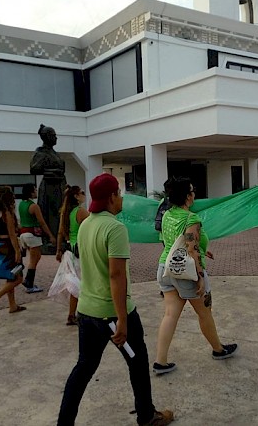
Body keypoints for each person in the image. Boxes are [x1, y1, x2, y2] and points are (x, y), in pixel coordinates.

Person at [57, 173, 173, 426]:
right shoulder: (115, 228)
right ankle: (146, 416)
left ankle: (64, 423)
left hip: (87, 311)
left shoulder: (86, 224)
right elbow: (116, 275)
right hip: (113, 314)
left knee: (83, 369)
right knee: (138, 362)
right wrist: (122, 319)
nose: (121, 199)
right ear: (111, 197)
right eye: (119, 194)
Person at [153, 177, 237, 375]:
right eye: (192, 190)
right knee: (205, 312)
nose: (194, 193)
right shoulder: (191, 219)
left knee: (170, 314)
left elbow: (172, 241)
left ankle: (160, 361)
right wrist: (199, 276)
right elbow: (191, 250)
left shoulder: (167, 215)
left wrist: (200, 249)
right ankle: (218, 349)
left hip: (165, 268)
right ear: (188, 196)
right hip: (186, 272)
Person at [0, 186, 26, 315]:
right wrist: (17, 251)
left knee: (11, 276)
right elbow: (12, 233)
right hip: (8, 245)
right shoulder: (7, 212)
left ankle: (12, 305)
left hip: (0, 245)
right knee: (18, 277)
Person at [30, 124, 67, 253]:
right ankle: (50, 240)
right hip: (49, 188)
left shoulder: (55, 153)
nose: (56, 138)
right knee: (50, 214)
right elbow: (34, 168)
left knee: (60, 212)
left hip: (59, 187)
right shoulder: (40, 151)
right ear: (47, 137)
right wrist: (53, 171)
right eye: (54, 135)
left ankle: (60, 239)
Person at [55, 185, 89, 325]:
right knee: (82, 283)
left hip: (69, 250)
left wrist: (58, 250)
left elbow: (60, 233)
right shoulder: (80, 211)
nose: (84, 195)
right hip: (79, 251)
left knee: (75, 284)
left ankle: (71, 314)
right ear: (76, 196)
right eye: (82, 193)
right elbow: (92, 224)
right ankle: (82, 312)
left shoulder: (64, 212)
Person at [18, 183, 56, 294]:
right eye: (34, 190)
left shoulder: (21, 204)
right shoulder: (34, 206)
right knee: (34, 260)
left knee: (36, 257)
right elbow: (42, 222)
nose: (36, 192)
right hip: (32, 235)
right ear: (30, 192)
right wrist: (50, 235)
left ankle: (29, 281)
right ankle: (29, 282)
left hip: (23, 234)